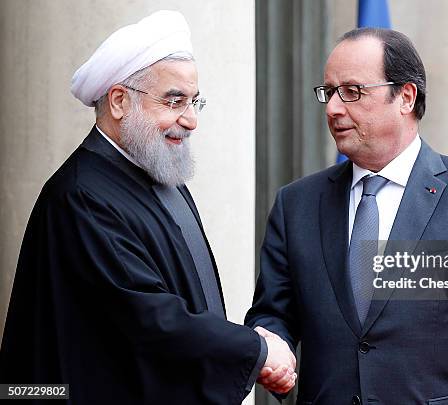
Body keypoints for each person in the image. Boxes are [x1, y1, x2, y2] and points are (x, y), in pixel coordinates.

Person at [0, 10, 295, 404]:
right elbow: (150, 316)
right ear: (120, 101)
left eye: (194, 102)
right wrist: (254, 350)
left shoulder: (158, 175)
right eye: (174, 101)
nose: (190, 120)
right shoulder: (82, 196)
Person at [246, 27, 448, 404]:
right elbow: (272, 313)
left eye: (352, 91)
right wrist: (272, 343)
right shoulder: (296, 204)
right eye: (329, 93)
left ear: (405, 96)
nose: (334, 108)